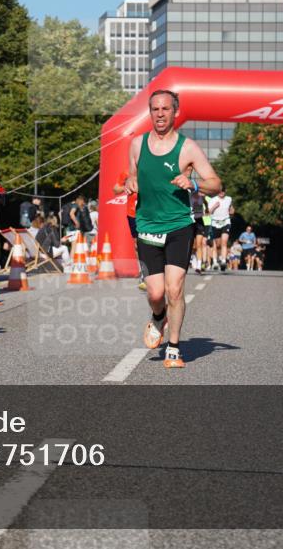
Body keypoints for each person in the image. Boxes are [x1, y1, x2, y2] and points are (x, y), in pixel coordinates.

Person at [124, 89, 222, 369]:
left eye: (165, 109)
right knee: (156, 294)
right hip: (147, 226)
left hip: (179, 225)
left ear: (175, 112)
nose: (160, 114)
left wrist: (193, 184)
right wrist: (131, 180)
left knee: (174, 289)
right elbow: (131, 172)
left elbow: (215, 184)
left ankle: (174, 348)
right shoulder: (136, 144)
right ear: (150, 112)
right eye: (155, 109)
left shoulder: (187, 147)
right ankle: (158, 317)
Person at [113, 168, 145, 290]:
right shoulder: (126, 173)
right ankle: (143, 272)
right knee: (138, 244)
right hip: (132, 214)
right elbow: (115, 189)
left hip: (148, 213)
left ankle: (152, 271)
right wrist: (127, 187)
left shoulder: (150, 169)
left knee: (148, 242)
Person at [207, 188, 233, 271]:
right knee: (215, 244)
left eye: (223, 191)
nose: (221, 192)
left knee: (224, 242)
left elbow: (231, 208)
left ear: (225, 191)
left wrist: (232, 211)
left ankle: (223, 261)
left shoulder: (229, 199)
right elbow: (208, 212)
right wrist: (214, 206)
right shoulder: (212, 200)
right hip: (215, 223)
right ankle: (215, 262)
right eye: (219, 191)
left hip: (226, 222)